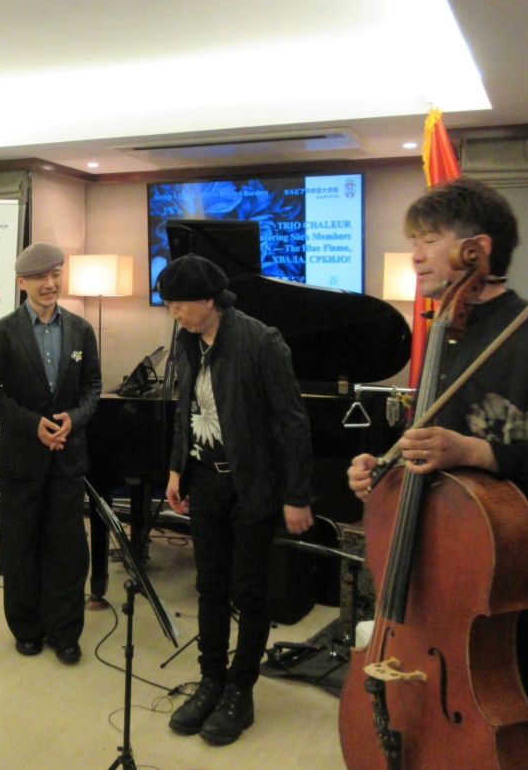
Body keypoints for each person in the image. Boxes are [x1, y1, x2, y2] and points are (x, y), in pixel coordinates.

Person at [346, 177, 528, 769]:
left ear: (476, 250)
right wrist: (382, 472)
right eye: (413, 239)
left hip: (519, 589)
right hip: (445, 576)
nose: (414, 254)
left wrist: (476, 451)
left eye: (428, 239)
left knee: (517, 723)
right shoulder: (446, 336)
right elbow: (429, 453)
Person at [159, 253, 316, 747]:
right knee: (209, 586)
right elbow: (187, 407)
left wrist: (297, 494)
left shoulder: (260, 341)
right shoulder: (186, 342)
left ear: (208, 300)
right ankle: (211, 680)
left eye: (180, 304)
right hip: (206, 481)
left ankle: (240, 691)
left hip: (253, 485)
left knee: (249, 592)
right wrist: (177, 466)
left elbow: (292, 422)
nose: (174, 314)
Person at [0, 242, 102, 666]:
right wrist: (34, 425)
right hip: (21, 459)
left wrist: (73, 420)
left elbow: (93, 389)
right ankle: (26, 628)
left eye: (56, 274)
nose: (50, 284)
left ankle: (66, 632)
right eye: (40, 277)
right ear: (22, 282)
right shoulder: (3, 332)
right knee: (21, 547)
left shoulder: (82, 330)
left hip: (68, 457)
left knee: (68, 549)